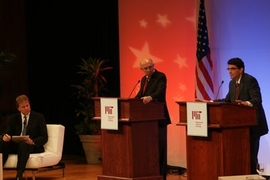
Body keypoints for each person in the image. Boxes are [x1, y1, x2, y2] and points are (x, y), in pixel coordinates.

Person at [197, 57, 268, 174]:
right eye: (228, 69)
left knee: (250, 156)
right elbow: (227, 100)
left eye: (233, 69)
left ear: (241, 69)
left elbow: (257, 99)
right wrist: (209, 101)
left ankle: (252, 175)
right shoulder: (231, 83)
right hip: (238, 126)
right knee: (240, 156)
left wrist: (247, 103)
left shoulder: (250, 80)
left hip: (253, 125)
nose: (230, 71)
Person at [135, 58, 171, 180]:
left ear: (153, 65)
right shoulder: (144, 79)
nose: (148, 69)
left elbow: (160, 92)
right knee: (148, 149)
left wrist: (150, 97)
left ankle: (161, 176)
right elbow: (140, 95)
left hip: (159, 117)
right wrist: (130, 102)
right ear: (141, 69)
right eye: (145, 68)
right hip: (147, 120)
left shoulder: (160, 76)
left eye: (150, 67)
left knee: (160, 148)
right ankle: (150, 174)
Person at [0, 94, 48, 180]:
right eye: (23, 107)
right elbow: (7, 132)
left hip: (31, 145)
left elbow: (44, 137)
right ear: (18, 108)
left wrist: (32, 141)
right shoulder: (13, 118)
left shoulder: (39, 117)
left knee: (24, 145)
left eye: (27, 105)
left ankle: (19, 174)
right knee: (3, 143)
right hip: (16, 145)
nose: (26, 108)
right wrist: (5, 137)